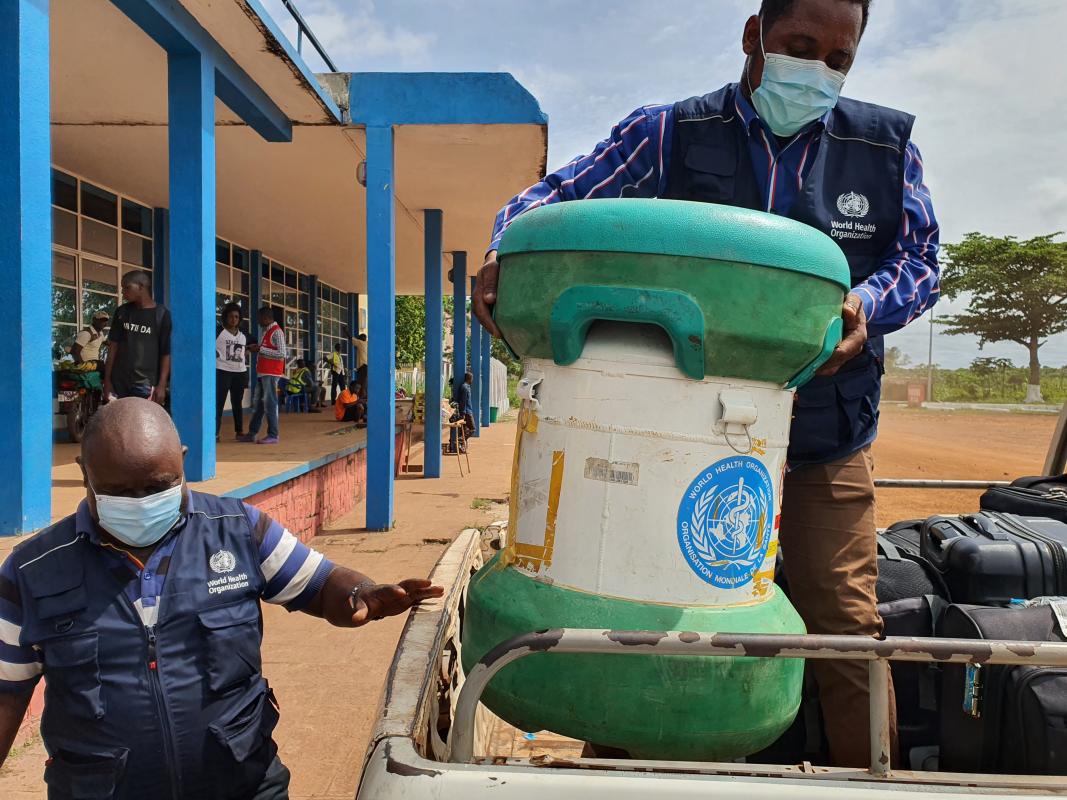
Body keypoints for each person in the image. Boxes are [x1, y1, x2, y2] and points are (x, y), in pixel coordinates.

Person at [471, 0, 940, 768]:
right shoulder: (669, 132)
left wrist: (865, 302)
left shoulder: (884, 148)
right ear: (753, 37)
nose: (816, 69)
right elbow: (552, 198)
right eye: (798, 45)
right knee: (637, 606)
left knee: (846, 630)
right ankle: (619, 769)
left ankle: (866, 779)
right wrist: (504, 249)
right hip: (672, 438)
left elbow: (919, 260)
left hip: (822, 438)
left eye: (837, 57)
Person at [0, 399, 442, 797]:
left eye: (158, 486)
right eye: (120, 492)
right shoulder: (30, 572)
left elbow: (319, 583)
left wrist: (361, 593)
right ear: (84, 473)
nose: (141, 503)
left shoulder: (239, 531)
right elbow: (5, 695)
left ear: (183, 463)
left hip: (243, 783)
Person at [103, 270, 172, 405]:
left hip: (145, 384)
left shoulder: (162, 315)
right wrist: (107, 380)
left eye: (127, 287)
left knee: (143, 423)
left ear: (141, 287)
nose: (123, 292)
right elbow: (113, 348)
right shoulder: (122, 312)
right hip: (119, 383)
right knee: (118, 423)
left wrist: (162, 384)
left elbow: (166, 353)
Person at [240, 307, 286, 445]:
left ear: (266, 318)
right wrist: (257, 348)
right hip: (264, 373)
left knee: (270, 404)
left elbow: (282, 353)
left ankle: (273, 434)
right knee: (259, 405)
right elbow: (270, 350)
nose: (257, 321)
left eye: (259, 318)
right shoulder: (268, 332)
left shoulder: (277, 332)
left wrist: (260, 349)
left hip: (271, 374)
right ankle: (252, 433)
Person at [215, 302, 248, 441]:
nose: (233, 319)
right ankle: (215, 433)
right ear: (225, 318)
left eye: (236, 316)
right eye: (230, 316)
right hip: (222, 371)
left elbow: (251, 346)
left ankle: (239, 431)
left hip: (239, 372)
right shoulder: (218, 332)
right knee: (219, 403)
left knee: (237, 402)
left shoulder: (244, 335)